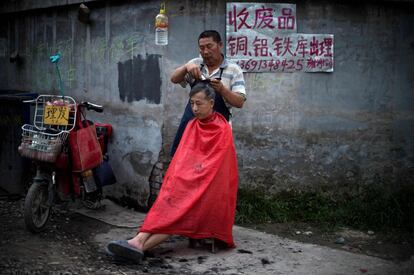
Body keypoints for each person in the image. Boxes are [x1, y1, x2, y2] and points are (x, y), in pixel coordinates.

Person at [106, 82, 239, 263]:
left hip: (207, 189)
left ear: (212, 103)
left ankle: (138, 244)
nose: (194, 108)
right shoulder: (192, 125)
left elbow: (217, 168)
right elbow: (182, 160)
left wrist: (192, 179)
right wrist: (177, 180)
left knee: (176, 213)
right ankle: (138, 244)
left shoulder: (222, 129)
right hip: (187, 181)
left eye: (199, 104)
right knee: (167, 203)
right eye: (192, 103)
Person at [169, 30, 246, 156]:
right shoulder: (196, 64)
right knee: (187, 166)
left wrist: (222, 90)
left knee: (214, 169)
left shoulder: (234, 70)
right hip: (192, 131)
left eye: (209, 46)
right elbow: (174, 79)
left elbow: (240, 102)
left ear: (220, 45)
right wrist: (186, 66)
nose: (205, 52)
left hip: (217, 133)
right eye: (202, 48)